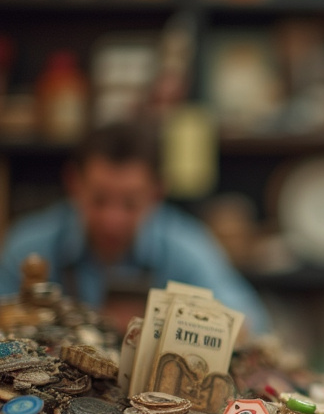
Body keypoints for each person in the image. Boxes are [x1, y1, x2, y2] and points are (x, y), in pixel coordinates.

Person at [0, 122, 271, 335]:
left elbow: (250, 324)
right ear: (74, 183)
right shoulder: (28, 246)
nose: (112, 220)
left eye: (130, 203)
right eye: (99, 199)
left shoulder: (186, 246)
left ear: (156, 193)